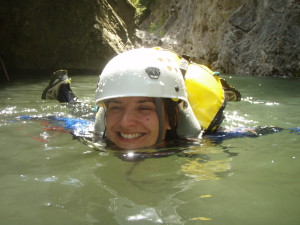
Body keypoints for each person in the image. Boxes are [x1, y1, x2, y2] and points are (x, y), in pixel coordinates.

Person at [42, 47, 241, 150]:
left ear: (171, 118)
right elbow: (58, 121)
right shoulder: (98, 132)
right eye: (116, 107)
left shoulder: (198, 139)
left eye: (144, 108)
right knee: (80, 112)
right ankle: (63, 91)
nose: (126, 121)